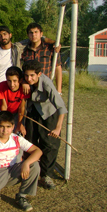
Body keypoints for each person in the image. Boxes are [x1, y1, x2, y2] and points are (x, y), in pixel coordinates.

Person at [0, 111, 42, 211]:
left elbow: (38, 151)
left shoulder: (16, 138)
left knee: (34, 165)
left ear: (13, 126)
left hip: (12, 170)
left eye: (8, 127)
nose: (5, 130)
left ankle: (22, 196)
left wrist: (26, 163)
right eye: (2, 126)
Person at [23, 60, 67, 190]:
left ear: (39, 74)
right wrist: (24, 81)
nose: (29, 78)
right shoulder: (25, 79)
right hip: (32, 112)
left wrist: (58, 128)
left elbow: (62, 107)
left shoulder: (47, 84)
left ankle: (46, 175)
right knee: (29, 141)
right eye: (26, 76)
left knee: (50, 144)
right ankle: (31, 172)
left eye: (32, 76)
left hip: (48, 113)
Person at [21, 23, 63, 94]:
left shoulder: (51, 49)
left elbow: (58, 69)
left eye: (36, 32)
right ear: (28, 35)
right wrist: (23, 82)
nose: (33, 35)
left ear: (41, 34)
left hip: (46, 86)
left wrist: (59, 91)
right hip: (30, 88)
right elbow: (21, 69)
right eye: (31, 33)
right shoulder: (24, 50)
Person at [0, 66, 30, 135]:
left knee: (18, 132)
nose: (12, 84)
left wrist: (19, 124)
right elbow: (4, 106)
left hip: (17, 113)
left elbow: (22, 107)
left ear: (20, 80)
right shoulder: (1, 86)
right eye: (9, 81)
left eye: (14, 81)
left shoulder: (24, 89)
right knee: (3, 132)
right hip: (3, 111)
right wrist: (4, 122)